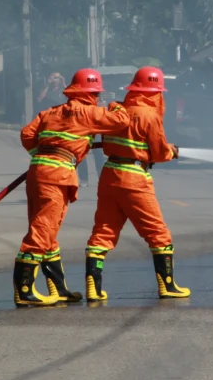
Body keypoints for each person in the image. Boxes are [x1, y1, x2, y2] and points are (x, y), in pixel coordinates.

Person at [14, 68, 131, 307]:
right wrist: (115, 105)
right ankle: (24, 290)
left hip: (38, 173)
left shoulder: (52, 111)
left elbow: (27, 133)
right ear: (92, 93)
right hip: (57, 176)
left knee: (48, 232)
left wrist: (42, 155)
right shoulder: (89, 112)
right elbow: (122, 122)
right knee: (42, 230)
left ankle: (59, 289)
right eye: (98, 93)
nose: (99, 97)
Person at [84, 67, 188, 301]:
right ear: (156, 93)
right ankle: (167, 286)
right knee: (158, 233)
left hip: (109, 174)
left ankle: (94, 287)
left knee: (103, 231)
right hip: (134, 177)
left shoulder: (116, 109)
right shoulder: (149, 116)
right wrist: (171, 152)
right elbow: (159, 152)